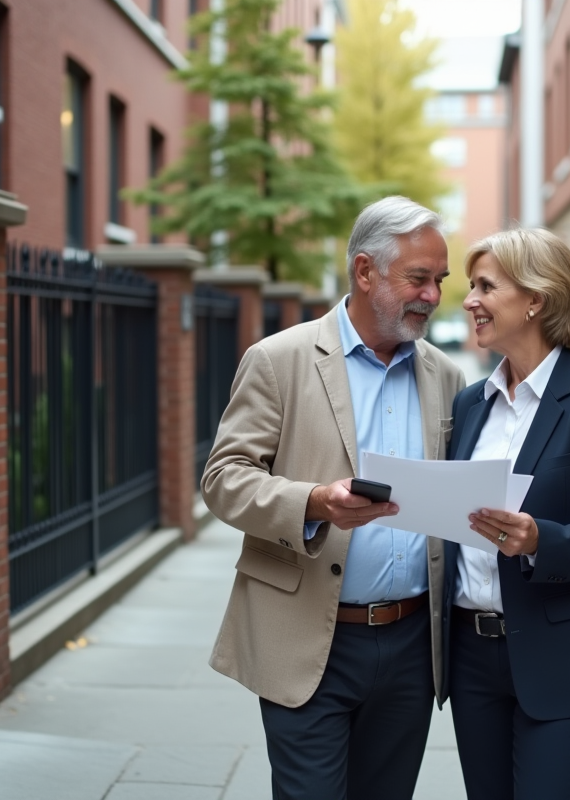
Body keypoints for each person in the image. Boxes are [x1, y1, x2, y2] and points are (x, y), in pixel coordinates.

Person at [201, 196, 466, 800]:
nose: (432, 295)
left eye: (440, 281)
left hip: (410, 647)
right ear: (365, 271)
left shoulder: (446, 377)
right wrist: (314, 502)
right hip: (306, 640)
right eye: (418, 279)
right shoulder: (278, 360)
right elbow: (224, 477)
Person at [444, 227, 570, 800]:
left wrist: (541, 540)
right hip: (472, 657)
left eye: (486, 286)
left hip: (566, 661)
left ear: (535, 299)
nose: (469, 301)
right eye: (470, 286)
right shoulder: (469, 404)